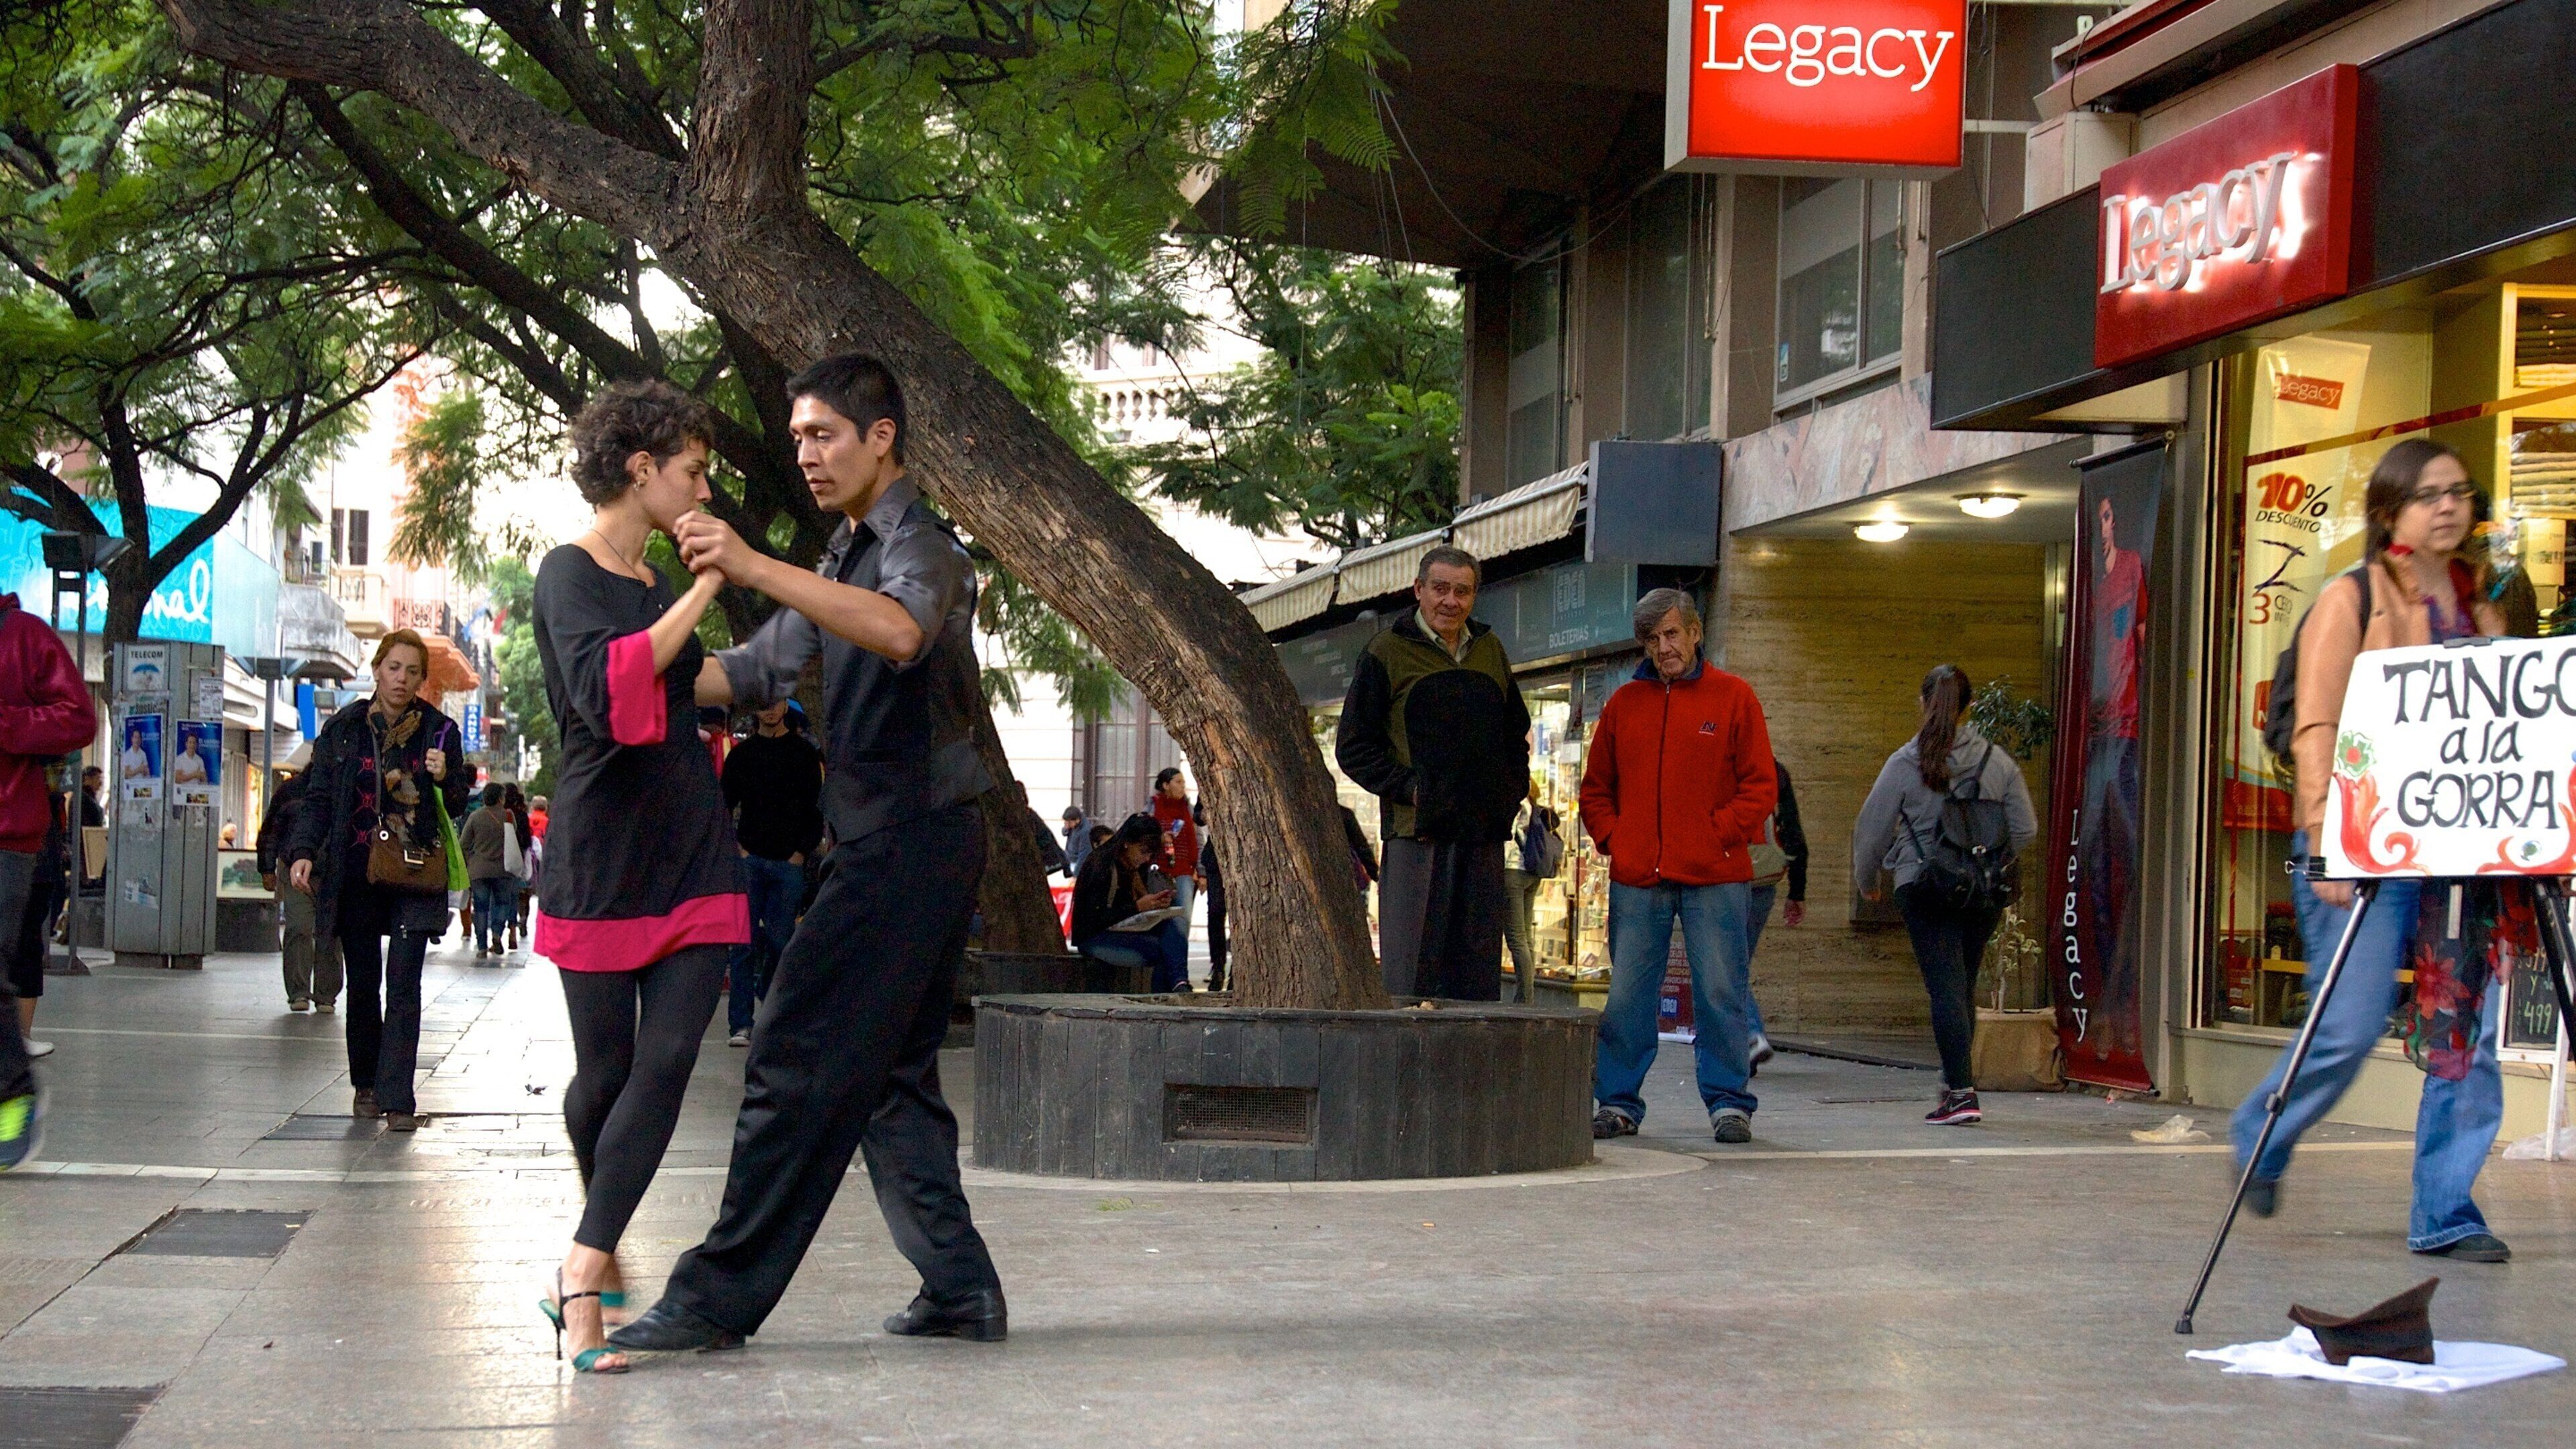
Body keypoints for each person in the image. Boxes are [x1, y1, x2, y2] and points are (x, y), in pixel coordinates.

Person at [612, 352, 1006, 1353]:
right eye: (796, 438)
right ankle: (960, 1290)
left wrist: (745, 563)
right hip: (886, 839)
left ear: (882, 437)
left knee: (790, 1052)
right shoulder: (837, 558)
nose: (806, 454)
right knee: (893, 1077)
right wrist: (619, 662)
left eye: (823, 434)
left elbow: (901, 634)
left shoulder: (924, 549)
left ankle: (715, 1297)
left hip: (914, 839)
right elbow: (750, 671)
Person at [2232, 439, 2516, 1261]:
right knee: (2348, 1025)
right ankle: (2262, 1130)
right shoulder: (2350, 600)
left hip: (2463, 850)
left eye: (2460, 492)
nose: (2449, 507)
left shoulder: (2482, 607)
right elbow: (2316, 723)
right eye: (2429, 495)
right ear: (2390, 511)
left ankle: (2447, 1210)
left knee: (2465, 1035)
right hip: (2363, 847)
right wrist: (2325, 840)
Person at [527, 379, 751, 1373]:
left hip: (692, 846)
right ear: (640, 469)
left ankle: (580, 1274)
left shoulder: (657, 580)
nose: (705, 490)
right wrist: (708, 585)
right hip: (603, 855)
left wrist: (788, 643)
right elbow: (613, 693)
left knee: (664, 1066)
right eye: (694, 472)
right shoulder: (568, 575)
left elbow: (686, 681)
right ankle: (601, 1231)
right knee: (607, 1081)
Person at [1580, 589, 1776, 1145]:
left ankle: (1729, 1104)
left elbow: (1760, 787)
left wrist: (1716, 835)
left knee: (1721, 992)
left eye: (1671, 634)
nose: (1662, 647)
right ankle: (1618, 1103)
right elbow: (1596, 791)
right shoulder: (1623, 705)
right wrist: (1619, 840)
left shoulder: (1735, 698)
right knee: (1628, 997)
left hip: (1716, 875)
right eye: (1651, 638)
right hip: (1639, 876)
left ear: (1695, 633)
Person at [287, 630, 472, 1134]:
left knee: (405, 982)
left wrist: (445, 775)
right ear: (376, 670)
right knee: (365, 983)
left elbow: (458, 801)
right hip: (356, 872)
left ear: (421, 680)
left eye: (412, 671)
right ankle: (367, 1083)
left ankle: (399, 1098)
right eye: (394, 668)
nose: (402, 679)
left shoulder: (438, 732)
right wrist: (303, 852)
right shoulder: (344, 728)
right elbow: (319, 796)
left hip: (414, 872)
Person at [1336, 545, 1531, 1000]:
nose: (1451, 601)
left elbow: (1514, 734)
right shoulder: (1386, 651)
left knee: (1475, 979)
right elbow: (1353, 747)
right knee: (1411, 977)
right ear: (1418, 590)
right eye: (1440, 589)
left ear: (1475, 596)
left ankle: (1468, 1071)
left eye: (1463, 591)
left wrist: (1508, 793)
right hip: (1416, 838)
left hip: (1482, 839)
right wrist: (1411, 789)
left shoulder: (1490, 650)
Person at [1851, 665, 2039, 1128]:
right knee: (1963, 986)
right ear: (1970, 706)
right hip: (1984, 891)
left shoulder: (1906, 761)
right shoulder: (1998, 761)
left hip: (1925, 885)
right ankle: (1956, 1084)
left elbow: (1871, 828)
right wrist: (1988, 856)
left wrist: (1867, 878)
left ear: (1923, 703)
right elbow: (2026, 828)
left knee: (1945, 989)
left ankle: (1960, 1093)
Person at [0, 590, 95, 1171]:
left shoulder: (23, 635)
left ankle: (14, 1093)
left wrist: (6, 722)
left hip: (7, 834)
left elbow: (78, 717)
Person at [719, 699, 825, 1048]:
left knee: (782, 944)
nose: (768, 710)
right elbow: (724, 803)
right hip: (750, 859)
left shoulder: (803, 755)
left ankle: (773, 1010)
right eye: (762, 704)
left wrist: (801, 852)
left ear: (784, 707)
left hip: (788, 863)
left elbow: (816, 807)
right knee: (742, 945)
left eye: (774, 703)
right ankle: (741, 1024)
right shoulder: (743, 755)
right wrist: (739, 849)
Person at [1070, 813, 1189, 994]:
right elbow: (1092, 919)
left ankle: (1180, 984)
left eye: (1150, 853)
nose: (1146, 858)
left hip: (1124, 929)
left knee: (1174, 928)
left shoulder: (1135, 867)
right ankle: (1170, 995)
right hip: (1095, 936)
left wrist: (1155, 906)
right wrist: (1138, 907)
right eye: (1143, 851)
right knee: (1163, 951)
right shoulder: (1101, 865)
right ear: (1127, 843)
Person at [258, 748, 338, 1012]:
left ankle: (326, 994)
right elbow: (270, 831)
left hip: (333, 872)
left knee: (330, 933)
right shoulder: (290, 791)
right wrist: (267, 868)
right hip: (294, 870)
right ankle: (298, 992)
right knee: (299, 928)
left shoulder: (344, 790)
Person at [1743, 761, 1811, 1069]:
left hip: (1723, 881)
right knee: (1735, 962)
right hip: (1765, 880)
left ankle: (1750, 1036)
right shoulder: (1775, 770)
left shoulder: (1718, 760)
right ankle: (1746, 1048)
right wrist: (1796, 893)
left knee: (1727, 964)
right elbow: (1793, 833)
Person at [1500, 781, 1558, 1005]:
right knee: (1526, 936)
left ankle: (1524, 997)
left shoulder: (1517, 805)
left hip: (1513, 871)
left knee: (1516, 938)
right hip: (1532, 873)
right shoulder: (1534, 808)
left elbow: (1509, 836)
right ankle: (1527, 995)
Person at [461, 784, 517, 959]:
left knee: (481, 908)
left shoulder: (475, 816)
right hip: (503, 869)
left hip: (479, 870)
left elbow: (463, 843)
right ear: (501, 798)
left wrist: (471, 858)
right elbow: (513, 836)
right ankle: (497, 935)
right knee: (502, 904)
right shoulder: (508, 816)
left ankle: (482, 947)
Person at [1150, 767, 1200, 926]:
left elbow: (1197, 838)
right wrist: (1160, 838)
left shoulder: (1187, 808)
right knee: (1159, 917)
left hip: (1184, 870)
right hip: (1159, 870)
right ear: (1165, 785)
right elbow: (1143, 833)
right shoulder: (1153, 805)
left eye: (1184, 783)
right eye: (1178, 782)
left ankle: (1179, 950)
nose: (1182, 786)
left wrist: (1201, 871)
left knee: (1183, 917)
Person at [1197, 801, 1228, 994]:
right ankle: (1218, 966)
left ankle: (1238, 969)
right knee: (1216, 911)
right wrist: (1205, 815)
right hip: (1216, 856)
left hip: (1246, 853)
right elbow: (1197, 815)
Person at [502, 783, 535, 950]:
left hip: (501, 859)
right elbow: (527, 840)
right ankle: (518, 924)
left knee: (502, 896)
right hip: (518, 859)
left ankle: (499, 930)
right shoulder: (522, 814)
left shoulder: (502, 814)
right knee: (519, 893)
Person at [1061, 806, 1093, 877]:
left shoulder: (1085, 831)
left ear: (1077, 820)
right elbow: (1064, 833)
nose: (1068, 824)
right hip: (1069, 858)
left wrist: (1076, 874)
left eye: (1069, 822)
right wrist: (1066, 828)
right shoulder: (1072, 825)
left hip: (1076, 862)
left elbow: (1084, 854)